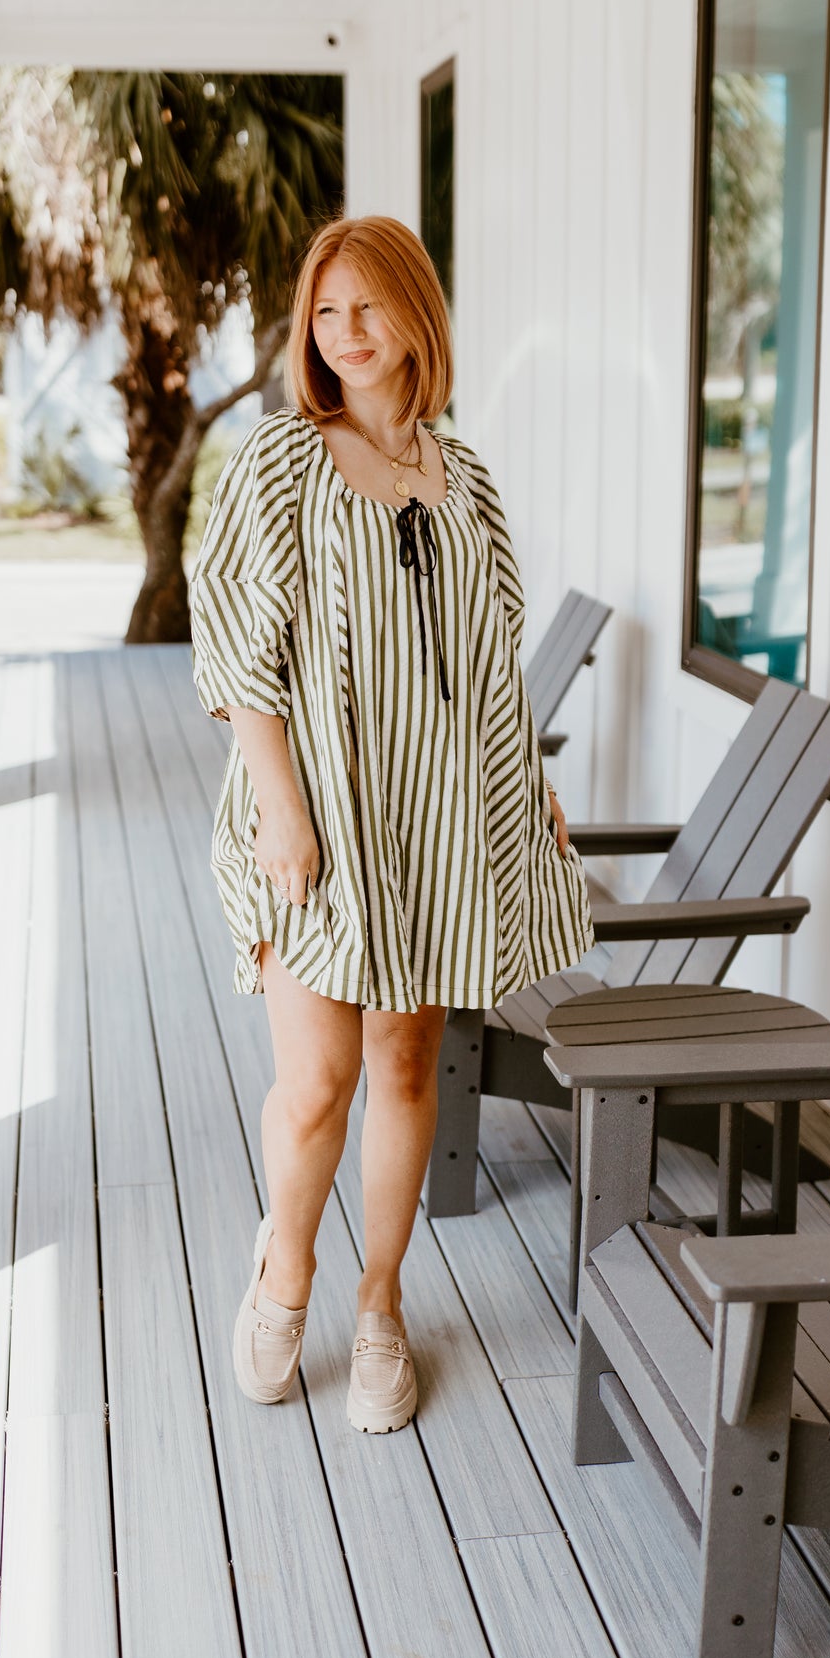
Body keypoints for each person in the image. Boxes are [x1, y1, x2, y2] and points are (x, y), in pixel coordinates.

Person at [190, 214, 593, 1434]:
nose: (346, 334)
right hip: (317, 823)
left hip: (439, 824)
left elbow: (493, 658)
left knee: (408, 1065)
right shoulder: (278, 464)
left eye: (368, 308)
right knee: (315, 1083)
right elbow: (238, 657)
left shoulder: (463, 477)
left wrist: (531, 785)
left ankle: (378, 1304)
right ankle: (286, 1274)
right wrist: (280, 810)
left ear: (417, 315)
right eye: (325, 313)